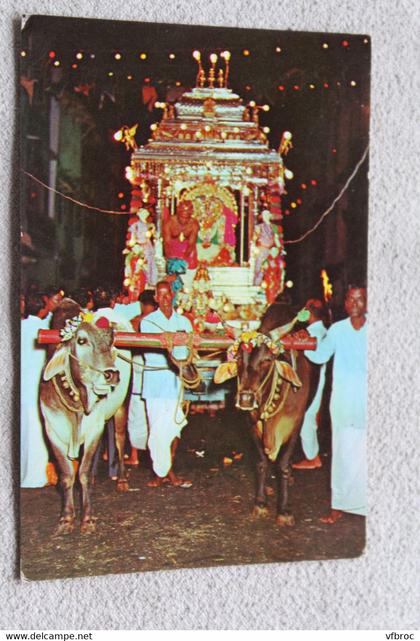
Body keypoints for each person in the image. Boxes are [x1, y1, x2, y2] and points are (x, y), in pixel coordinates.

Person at [304, 286, 367, 524]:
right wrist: (298, 344)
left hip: (370, 400)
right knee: (342, 454)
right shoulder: (338, 330)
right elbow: (320, 355)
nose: (354, 304)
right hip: (343, 401)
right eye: (350, 299)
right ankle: (338, 506)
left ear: (368, 302)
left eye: (359, 300)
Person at [140, 280, 193, 487]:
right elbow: (151, 351)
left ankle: (166, 471)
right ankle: (164, 473)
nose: (163, 298)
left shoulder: (184, 321)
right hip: (155, 382)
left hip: (175, 382)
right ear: (155, 298)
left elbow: (188, 352)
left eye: (167, 294)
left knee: (173, 428)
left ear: (173, 294)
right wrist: (171, 347)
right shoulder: (148, 322)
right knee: (156, 430)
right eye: (159, 295)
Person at [292, 299, 328, 470]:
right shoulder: (315, 331)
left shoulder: (317, 333)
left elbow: (317, 357)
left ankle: (313, 458)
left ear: (309, 313)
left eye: (305, 309)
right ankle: (312, 455)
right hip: (312, 382)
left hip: (315, 383)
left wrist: (302, 345)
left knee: (308, 417)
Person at [21, 293, 50, 487]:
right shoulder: (43, 331)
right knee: (36, 432)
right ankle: (35, 477)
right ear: (41, 309)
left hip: (21, 386)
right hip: (35, 388)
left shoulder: (19, 327)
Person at [125, 290, 158, 466]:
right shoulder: (159, 321)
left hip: (141, 366)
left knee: (137, 412)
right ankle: (146, 455)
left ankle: (135, 455)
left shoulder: (136, 321)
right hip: (150, 368)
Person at [162, 200, 199, 269]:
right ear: (178, 213)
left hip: (187, 249)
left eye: (187, 218)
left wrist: (183, 258)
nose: (184, 220)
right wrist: (171, 259)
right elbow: (167, 243)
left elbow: (191, 244)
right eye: (182, 217)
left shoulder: (194, 224)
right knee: (172, 267)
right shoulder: (169, 222)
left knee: (190, 267)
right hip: (172, 248)